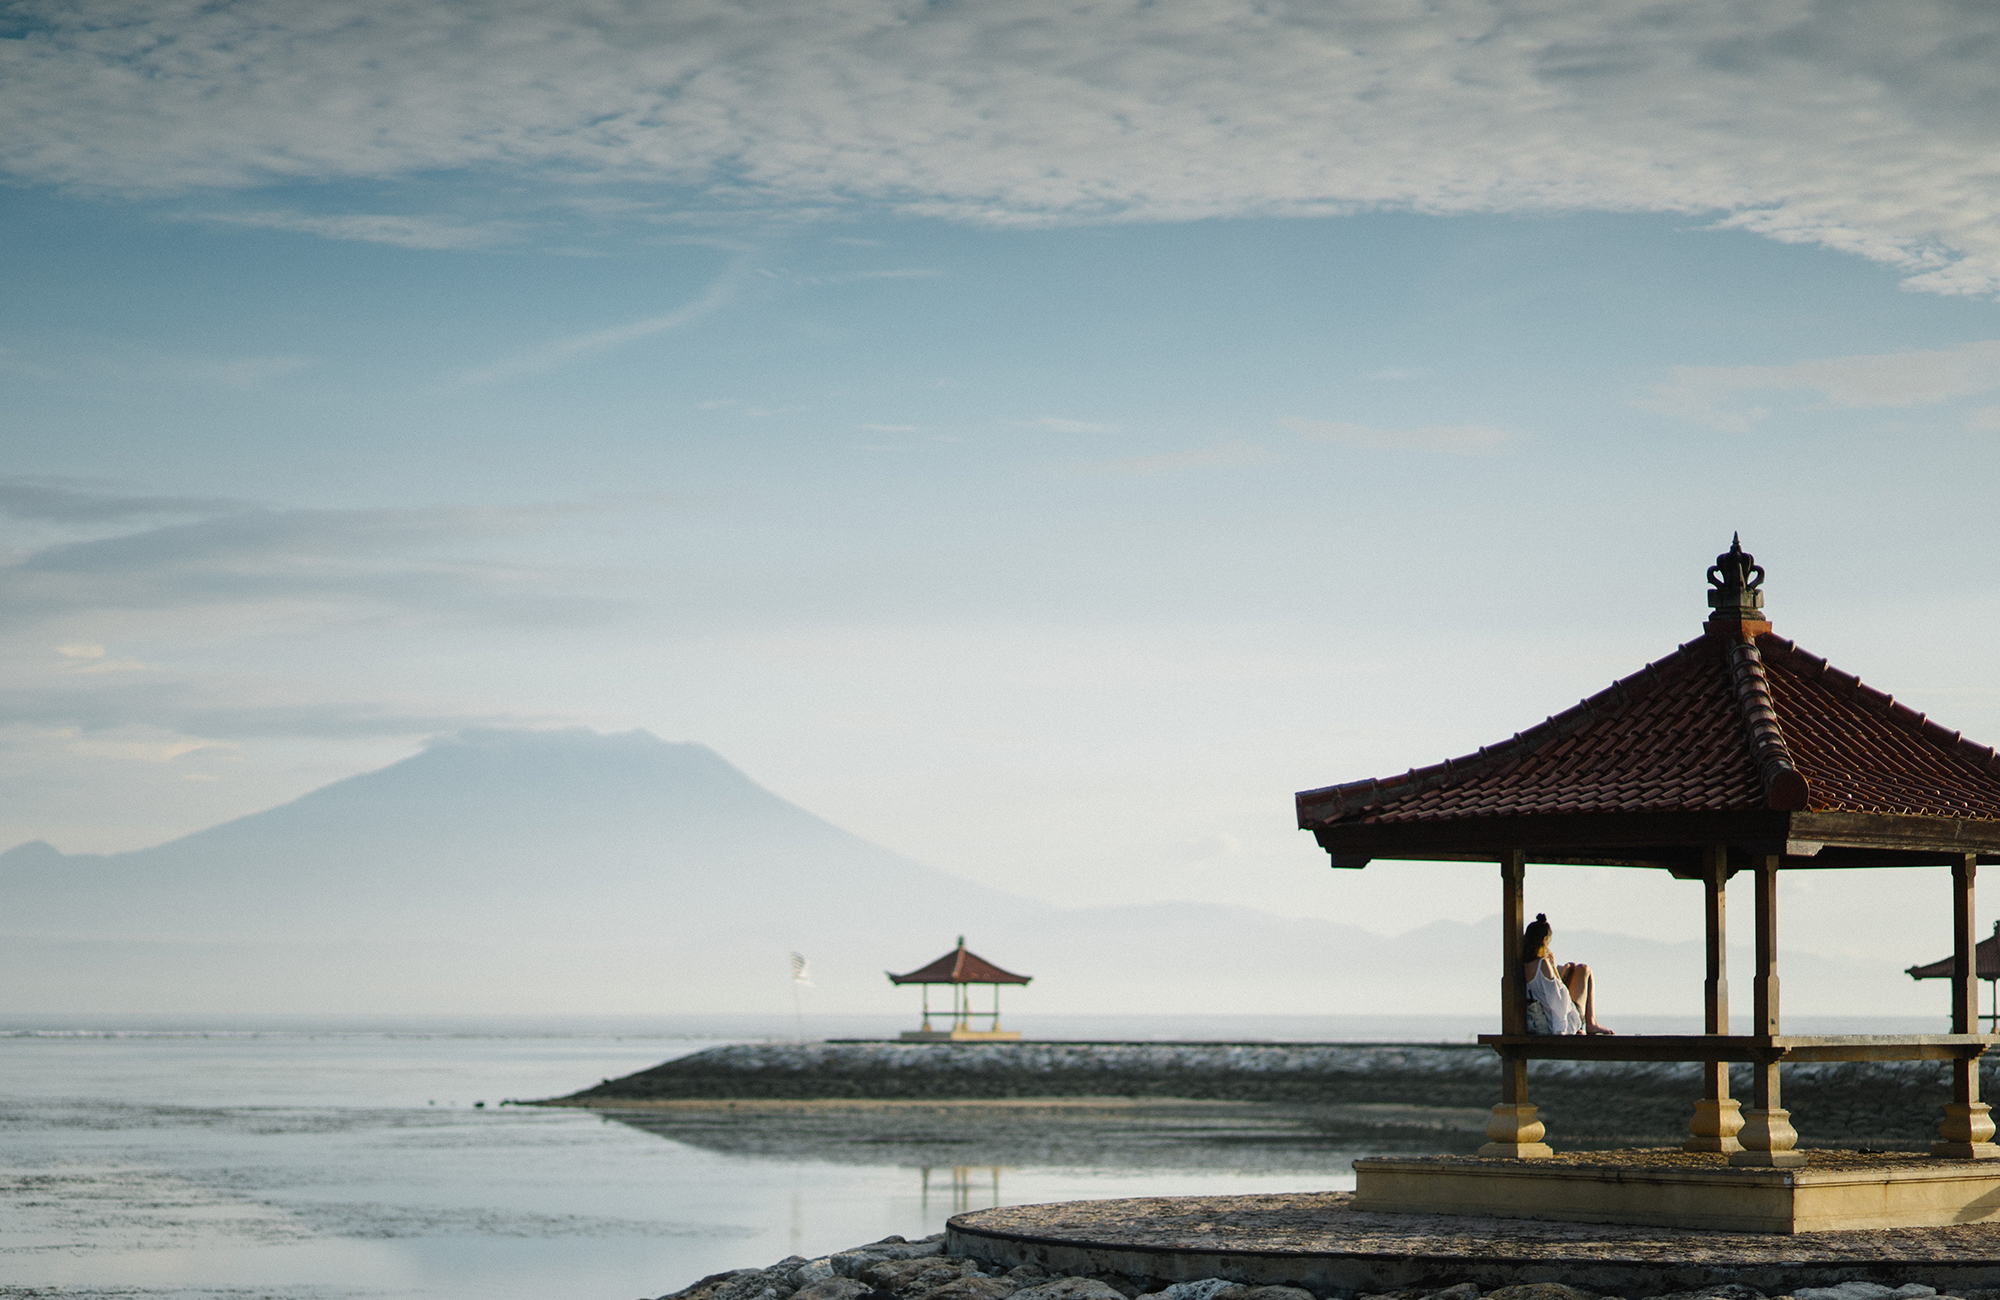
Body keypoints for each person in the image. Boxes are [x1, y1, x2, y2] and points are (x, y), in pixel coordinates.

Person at [1522, 913, 1613, 1036]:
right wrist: (1555, 972)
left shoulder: (1523, 964)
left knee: (1572, 967)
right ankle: (1591, 1023)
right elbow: (1559, 1003)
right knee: (1584, 969)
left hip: (1547, 1016)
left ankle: (1591, 1023)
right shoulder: (1542, 963)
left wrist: (1559, 972)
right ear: (1544, 941)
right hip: (1565, 1022)